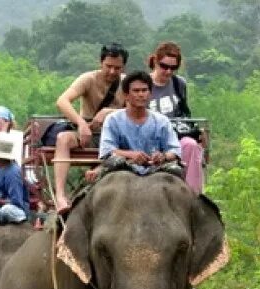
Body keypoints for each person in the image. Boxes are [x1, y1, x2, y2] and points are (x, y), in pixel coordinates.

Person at [53, 43, 128, 213]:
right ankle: (60, 196)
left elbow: (138, 109)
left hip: (115, 137)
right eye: (108, 66)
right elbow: (62, 101)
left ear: (123, 67)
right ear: (100, 63)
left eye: (117, 68)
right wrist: (80, 123)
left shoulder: (126, 83)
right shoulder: (88, 79)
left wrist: (109, 112)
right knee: (62, 139)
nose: (111, 72)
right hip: (88, 133)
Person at [98, 71, 181, 177]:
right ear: (126, 95)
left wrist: (163, 156)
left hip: (155, 168)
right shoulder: (113, 119)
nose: (141, 94)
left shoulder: (162, 121)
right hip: (125, 167)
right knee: (113, 163)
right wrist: (131, 155)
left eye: (144, 90)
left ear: (150, 94)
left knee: (176, 170)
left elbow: (175, 150)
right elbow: (107, 151)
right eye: (136, 91)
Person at [147, 41, 204, 193]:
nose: (168, 71)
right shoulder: (143, 85)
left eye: (173, 68)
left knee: (191, 145)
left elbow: (184, 113)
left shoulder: (179, 84)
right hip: (148, 136)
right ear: (155, 61)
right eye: (164, 66)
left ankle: (193, 194)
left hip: (174, 136)